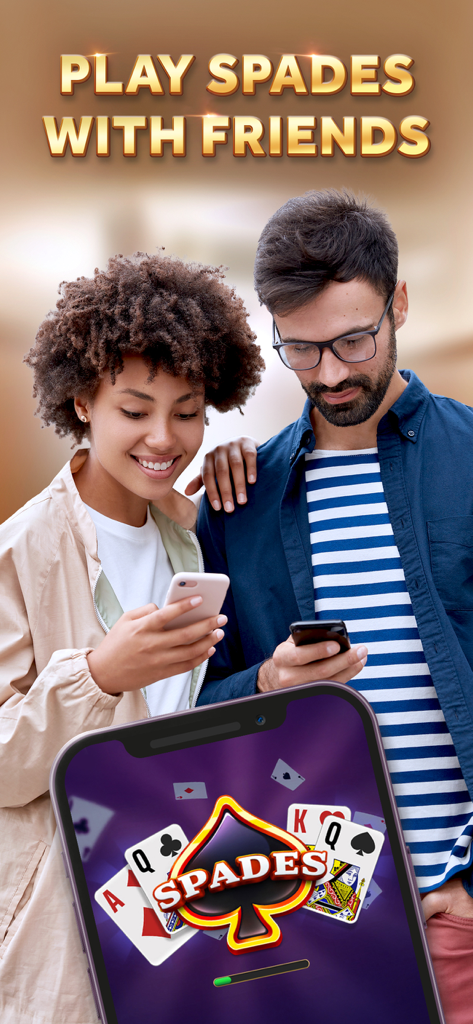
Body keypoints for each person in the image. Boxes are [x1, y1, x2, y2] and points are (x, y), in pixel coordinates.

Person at [195, 190, 473, 1024]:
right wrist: (264, 683)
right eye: (302, 348)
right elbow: (176, 715)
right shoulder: (236, 502)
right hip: (310, 931)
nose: (330, 374)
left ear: (398, 304)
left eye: (354, 339)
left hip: (457, 920)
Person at [0, 251, 264, 1024]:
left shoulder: (191, 535)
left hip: (187, 915)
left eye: (187, 411)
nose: (163, 437)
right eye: (135, 409)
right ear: (82, 400)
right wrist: (97, 676)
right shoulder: (21, 553)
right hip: (64, 939)